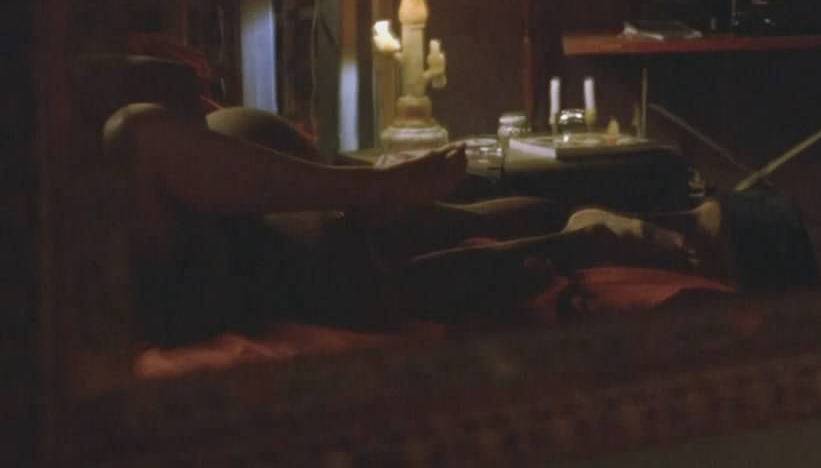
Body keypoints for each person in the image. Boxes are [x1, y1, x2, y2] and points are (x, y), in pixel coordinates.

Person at [104, 103, 736, 346]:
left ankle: (645, 226)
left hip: (240, 202)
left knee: (449, 220)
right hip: (218, 254)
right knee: (135, 134)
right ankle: (598, 236)